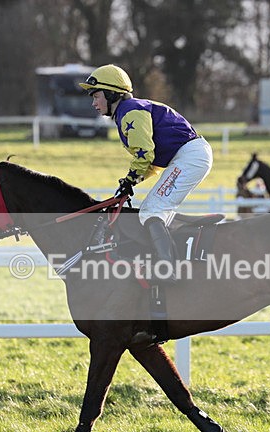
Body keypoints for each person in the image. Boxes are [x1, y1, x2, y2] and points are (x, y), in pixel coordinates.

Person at [79, 64, 213, 283]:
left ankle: (167, 269)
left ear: (112, 93)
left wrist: (131, 178)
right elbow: (150, 163)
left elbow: (145, 155)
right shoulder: (127, 112)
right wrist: (133, 180)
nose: (93, 103)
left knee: (152, 210)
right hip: (188, 155)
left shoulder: (130, 112)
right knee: (153, 209)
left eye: (96, 96)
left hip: (190, 156)